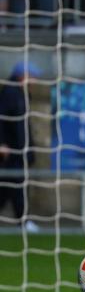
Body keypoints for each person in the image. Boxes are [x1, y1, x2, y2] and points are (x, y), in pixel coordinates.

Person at [0, 62, 38, 233]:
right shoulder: (9, 93)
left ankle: (23, 220)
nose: (35, 79)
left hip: (20, 152)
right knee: (14, 186)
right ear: (23, 74)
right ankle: (23, 221)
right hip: (11, 153)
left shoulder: (22, 93)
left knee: (11, 187)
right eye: (32, 74)